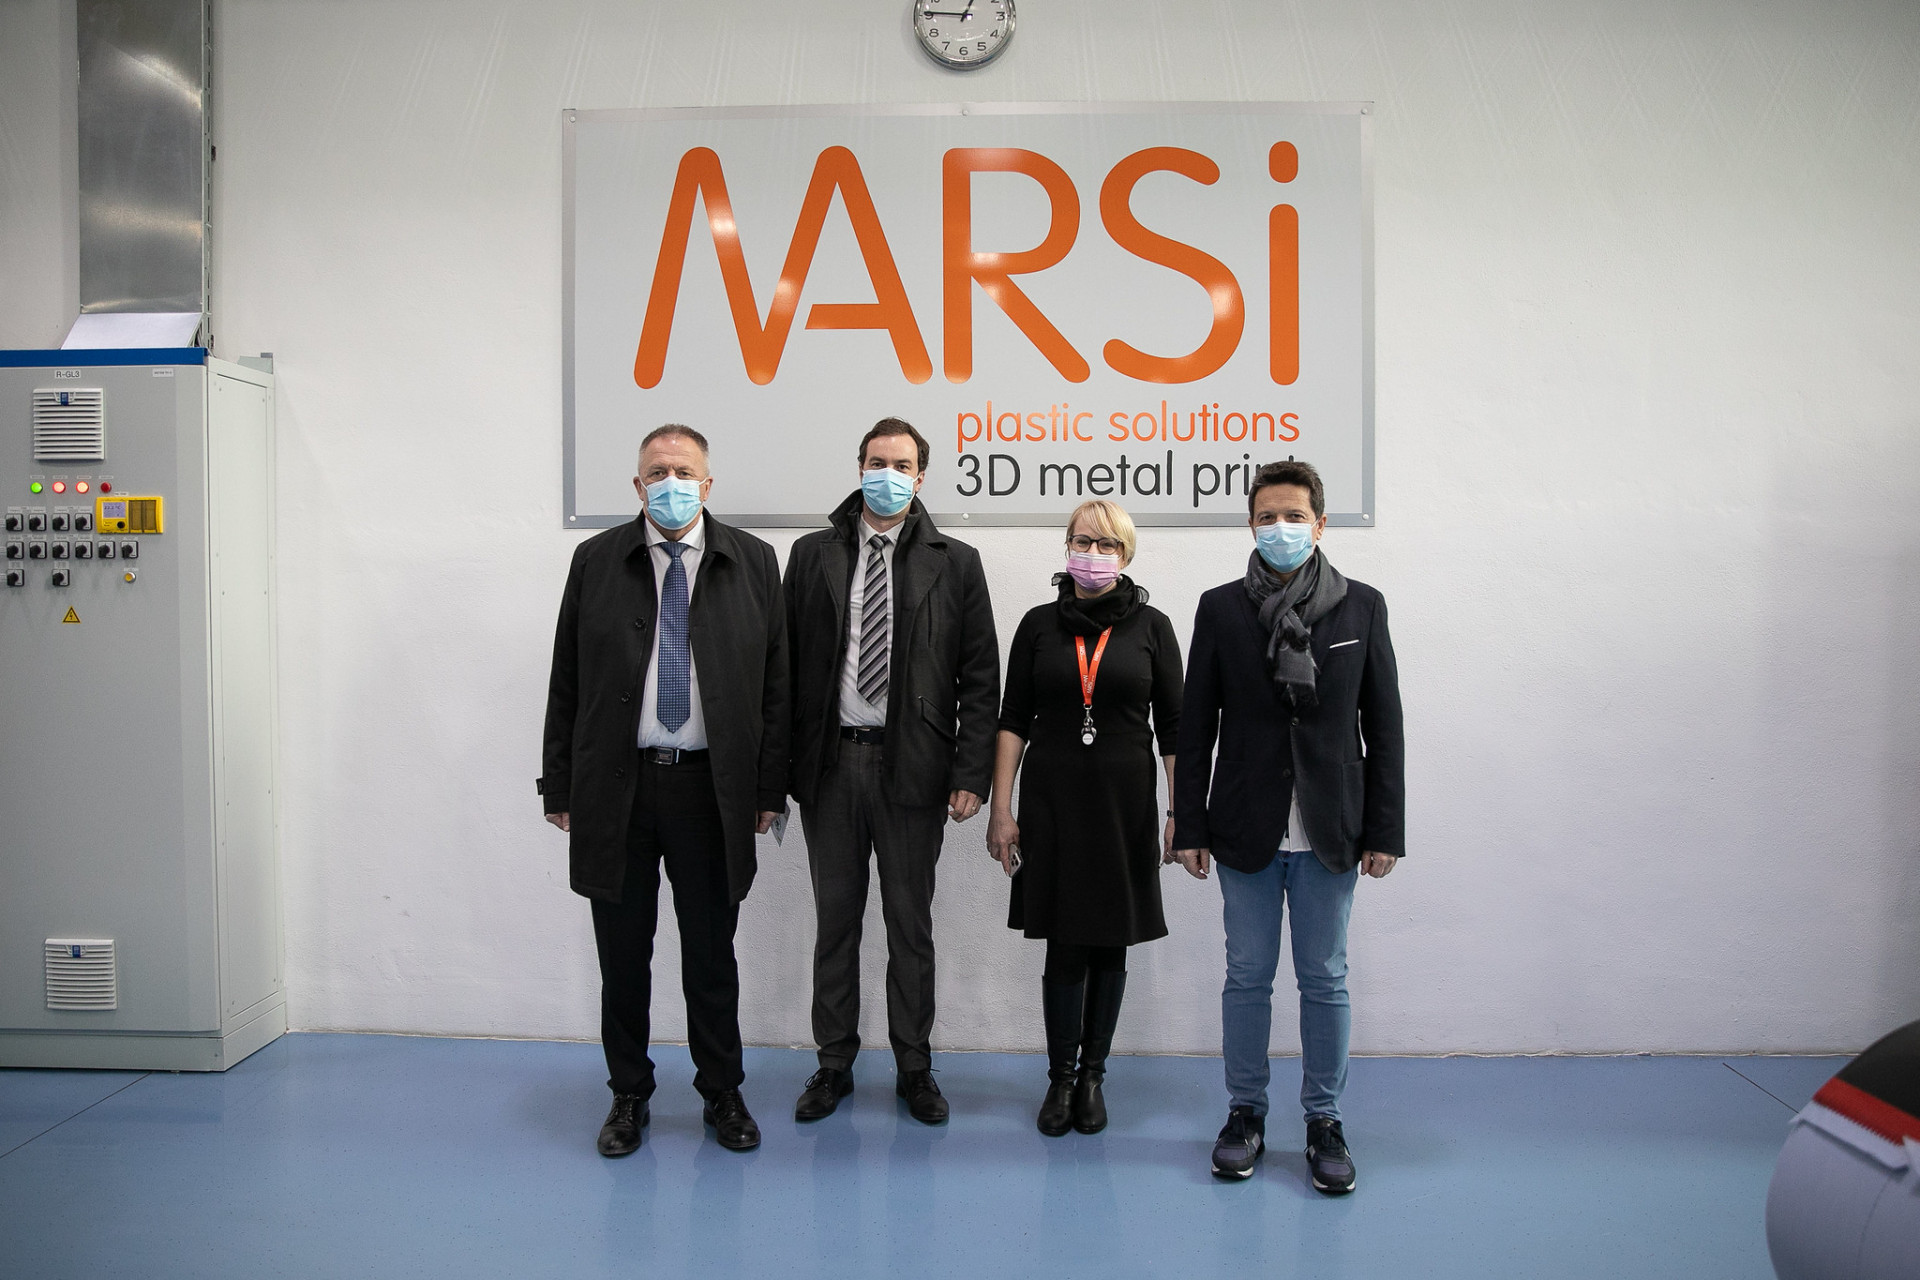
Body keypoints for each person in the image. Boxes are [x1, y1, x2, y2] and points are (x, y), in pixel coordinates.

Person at [540, 424, 789, 1157]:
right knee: (623, 957)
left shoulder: (752, 561)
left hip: (711, 791)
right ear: (637, 484)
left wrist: (768, 788)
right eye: (657, 472)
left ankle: (722, 1091)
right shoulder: (596, 560)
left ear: (708, 484)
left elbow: (777, 686)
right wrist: (560, 784)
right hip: (617, 788)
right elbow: (566, 679)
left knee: (712, 956)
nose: (670, 483)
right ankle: (628, 1093)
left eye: (684, 471)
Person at [1172, 458, 1404, 1192]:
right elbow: (1195, 726)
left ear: (1320, 524)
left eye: (1294, 516)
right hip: (1244, 824)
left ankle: (1323, 1120)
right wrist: (1187, 825)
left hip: (1331, 829)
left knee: (1324, 977)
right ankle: (1245, 1113)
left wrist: (1385, 830)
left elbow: (1384, 726)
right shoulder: (1219, 608)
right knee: (1247, 976)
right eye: (1267, 516)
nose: (1281, 528)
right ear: (1251, 524)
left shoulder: (1362, 607)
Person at [783, 418, 999, 1125]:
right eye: (877, 462)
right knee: (835, 923)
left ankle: (914, 1066)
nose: (888, 474)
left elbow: (980, 677)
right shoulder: (812, 555)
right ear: (859, 467)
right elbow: (782, 670)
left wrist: (971, 773)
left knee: (910, 925)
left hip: (915, 769)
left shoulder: (956, 562)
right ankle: (833, 1064)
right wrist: (776, 774)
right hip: (830, 766)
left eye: (902, 465)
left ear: (921, 476)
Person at [987, 500, 1183, 1137]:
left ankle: (1094, 1075)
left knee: (1110, 942)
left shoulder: (1153, 627)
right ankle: (1061, 1078)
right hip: (1053, 806)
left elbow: (1174, 730)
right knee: (1064, 942)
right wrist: (1001, 808)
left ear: (1125, 555)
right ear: (1066, 547)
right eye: (1082, 542)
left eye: (1106, 545)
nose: (1092, 555)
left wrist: (1181, 812)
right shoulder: (1037, 625)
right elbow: (1012, 720)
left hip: (1125, 808)